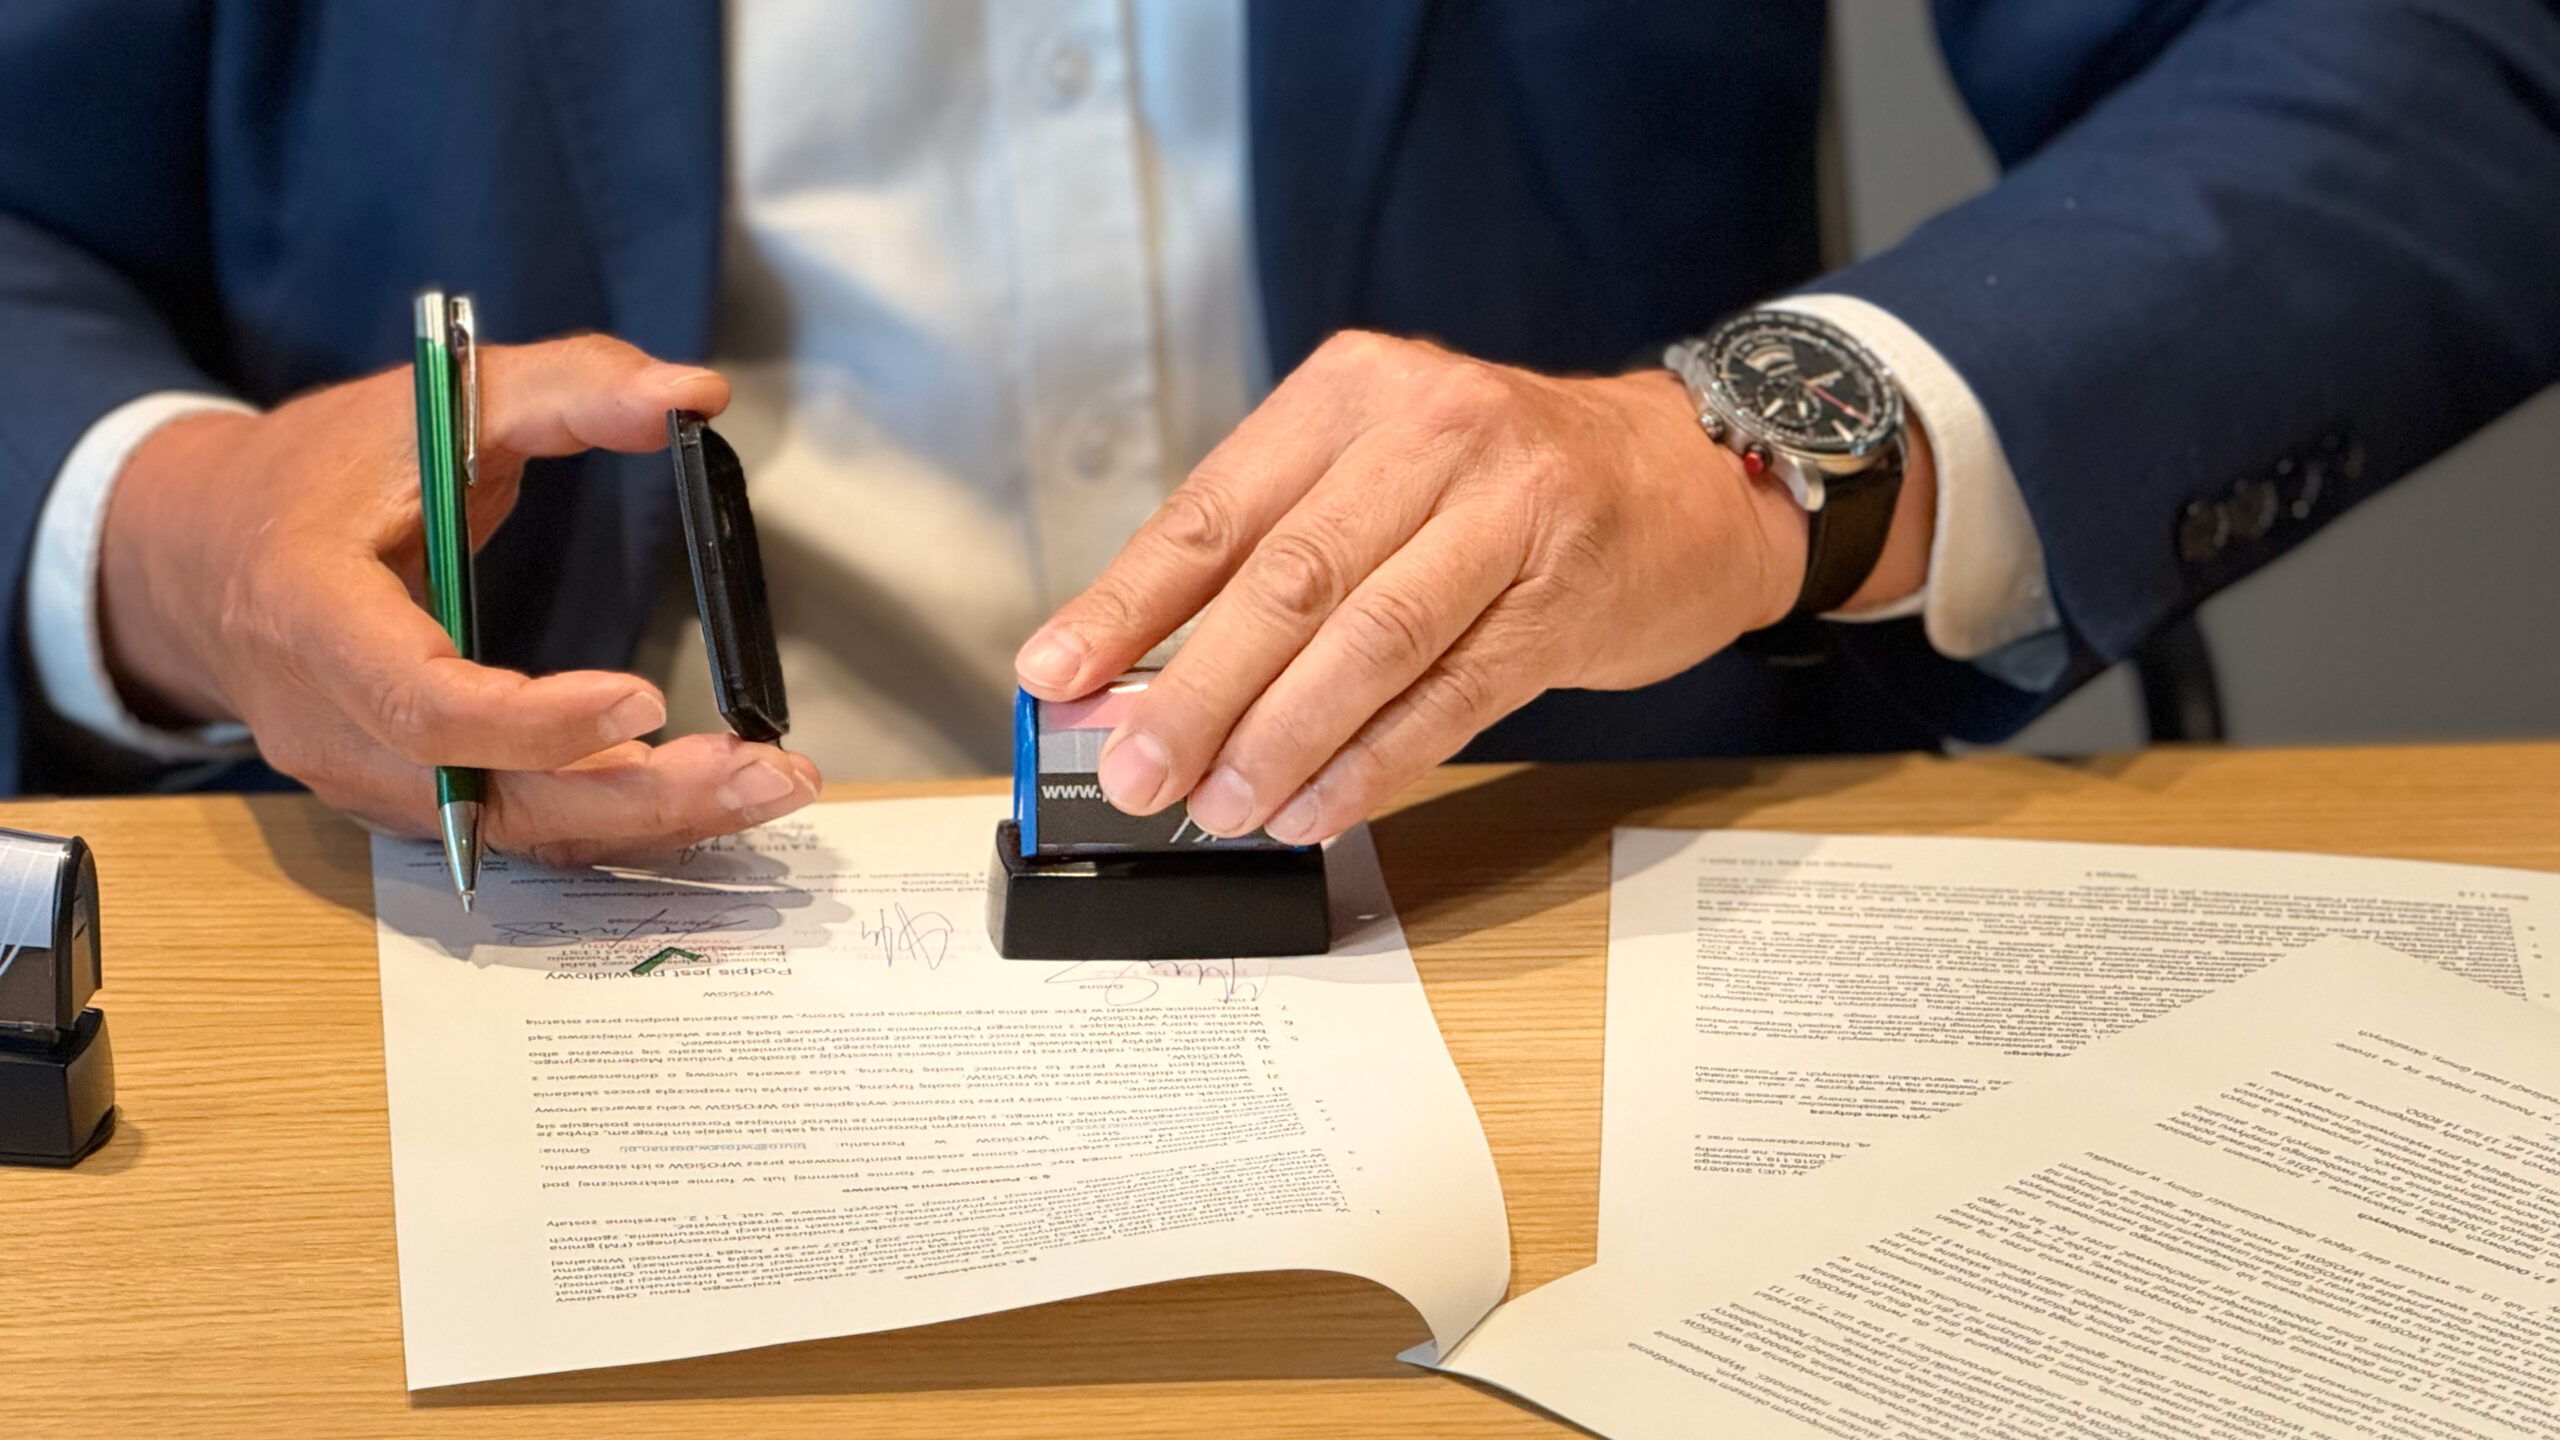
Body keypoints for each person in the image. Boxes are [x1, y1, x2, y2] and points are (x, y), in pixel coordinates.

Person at [0, 2, 2553, 864]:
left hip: (1563, 902)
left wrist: (1760, 446)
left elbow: (2416, 54)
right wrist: (171, 525)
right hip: (506, 959)